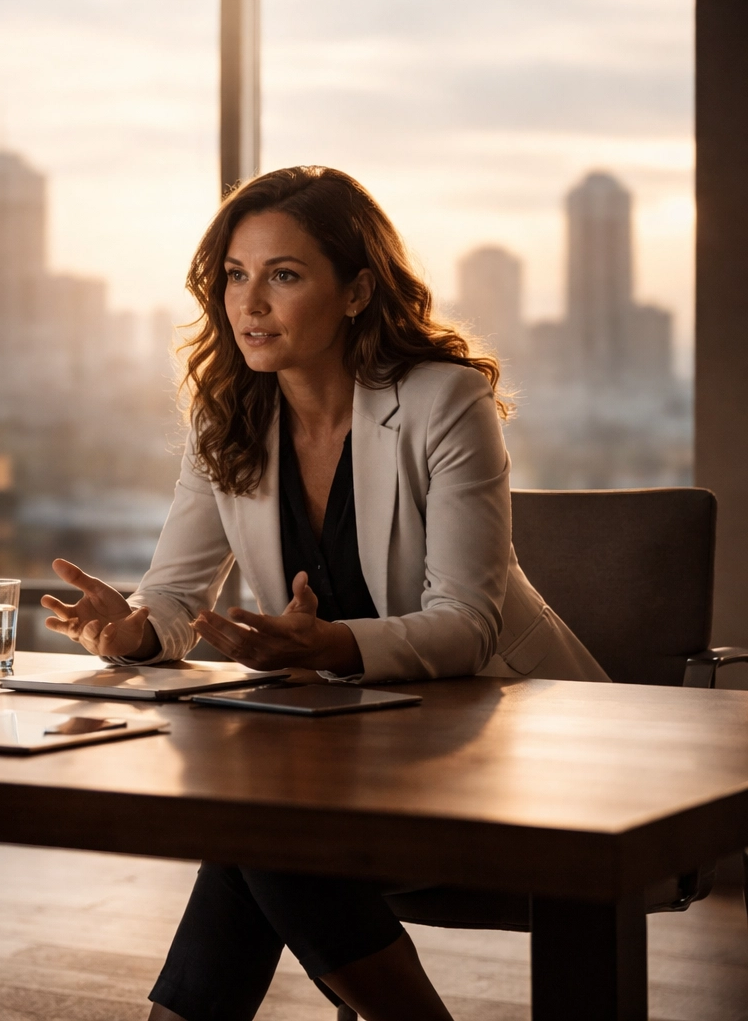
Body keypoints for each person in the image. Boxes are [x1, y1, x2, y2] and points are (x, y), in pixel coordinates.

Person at [41, 166, 608, 1021]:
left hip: (506, 742)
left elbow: (465, 627)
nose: (250, 303)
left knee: (263, 833)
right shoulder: (227, 417)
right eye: (235, 275)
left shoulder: (444, 401)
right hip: (346, 754)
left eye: (285, 275)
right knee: (266, 831)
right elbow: (175, 596)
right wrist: (130, 633)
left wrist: (331, 646)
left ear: (357, 292)